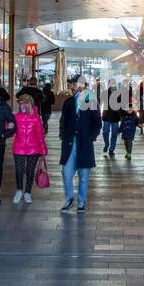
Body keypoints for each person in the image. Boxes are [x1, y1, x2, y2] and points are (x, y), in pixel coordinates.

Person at [59, 74, 101, 212]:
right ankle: (69, 199)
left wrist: (91, 137)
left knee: (83, 176)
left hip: (84, 143)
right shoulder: (69, 102)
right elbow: (63, 120)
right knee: (66, 172)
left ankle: (81, 202)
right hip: (70, 143)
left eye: (74, 84)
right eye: (72, 84)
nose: (72, 86)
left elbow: (97, 122)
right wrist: (64, 135)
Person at [10, 90, 47, 203]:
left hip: (34, 148)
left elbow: (40, 134)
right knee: (19, 171)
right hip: (19, 147)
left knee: (30, 171)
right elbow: (11, 131)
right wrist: (8, 126)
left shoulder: (36, 118)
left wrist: (43, 149)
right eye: (21, 103)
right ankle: (19, 190)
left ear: (30, 104)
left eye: (25, 103)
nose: (23, 105)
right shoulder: (15, 117)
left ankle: (27, 192)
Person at [101, 86, 123, 158]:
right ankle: (106, 144)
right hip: (107, 116)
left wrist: (122, 115)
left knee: (114, 134)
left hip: (116, 117)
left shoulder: (119, 95)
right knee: (105, 131)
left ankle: (111, 149)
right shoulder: (105, 94)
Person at [119, 93, 139, 160]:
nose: (129, 111)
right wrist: (119, 130)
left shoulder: (135, 116)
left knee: (129, 142)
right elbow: (122, 124)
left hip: (131, 132)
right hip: (124, 132)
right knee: (125, 143)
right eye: (128, 109)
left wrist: (140, 125)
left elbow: (137, 123)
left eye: (131, 109)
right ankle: (127, 152)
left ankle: (129, 154)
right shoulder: (124, 117)